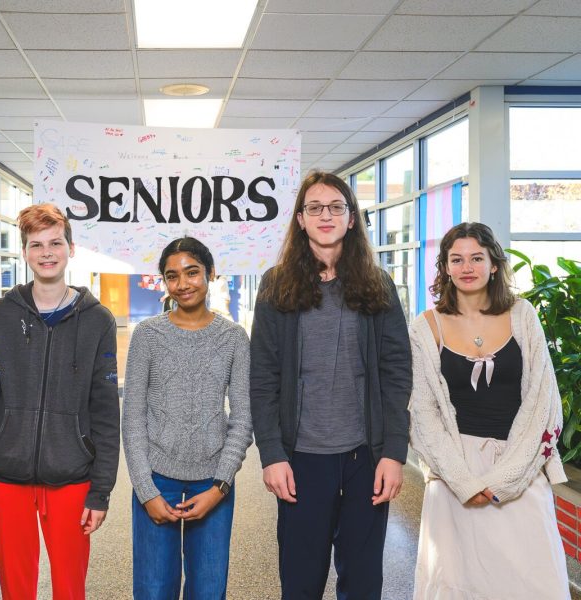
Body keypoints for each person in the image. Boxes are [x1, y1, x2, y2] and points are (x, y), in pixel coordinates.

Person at [250, 171, 412, 599]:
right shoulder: (275, 285)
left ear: (352, 218)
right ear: (300, 219)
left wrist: (394, 453)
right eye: (315, 208)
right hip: (301, 458)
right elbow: (262, 376)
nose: (326, 215)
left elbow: (397, 373)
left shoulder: (379, 286)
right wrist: (271, 453)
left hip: (367, 456)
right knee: (301, 583)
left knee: (362, 583)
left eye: (336, 207)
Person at [0, 202, 120, 600]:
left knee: (70, 586)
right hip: (5, 474)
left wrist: (100, 490)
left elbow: (105, 409)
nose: (46, 253)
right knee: (16, 588)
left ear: (71, 248)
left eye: (55, 243)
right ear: (25, 252)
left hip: (71, 474)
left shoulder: (98, 320)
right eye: (36, 245)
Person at [409, 222, 569, 599]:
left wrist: (505, 480)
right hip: (454, 475)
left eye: (476, 258)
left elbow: (544, 402)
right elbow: (421, 413)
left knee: (534, 581)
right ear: (445, 267)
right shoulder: (425, 326)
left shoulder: (522, 315)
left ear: (493, 264)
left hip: (521, 468)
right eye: (457, 259)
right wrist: (465, 482)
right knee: (457, 583)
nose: (467, 267)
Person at [122, 237, 252, 600]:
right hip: (156, 479)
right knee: (152, 590)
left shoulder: (234, 339)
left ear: (210, 274)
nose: (183, 283)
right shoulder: (147, 336)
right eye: (172, 276)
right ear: (164, 282)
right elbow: (131, 419)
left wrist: (220, 487)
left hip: (212, 484)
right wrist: (146, 492)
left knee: (209, 590)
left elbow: (242, 420)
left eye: (192, 272)